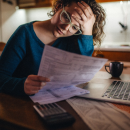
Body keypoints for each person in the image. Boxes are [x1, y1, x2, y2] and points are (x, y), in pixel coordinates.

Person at [0, 0, 106, 96]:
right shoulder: (24, 33)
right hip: (20, 105)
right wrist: (22, 85)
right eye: (66, 17)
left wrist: (87, 31)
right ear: (59, 7)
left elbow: (82, 76)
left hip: (56, 105)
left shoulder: (72, 41)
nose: (65, 28)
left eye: (74, 27)